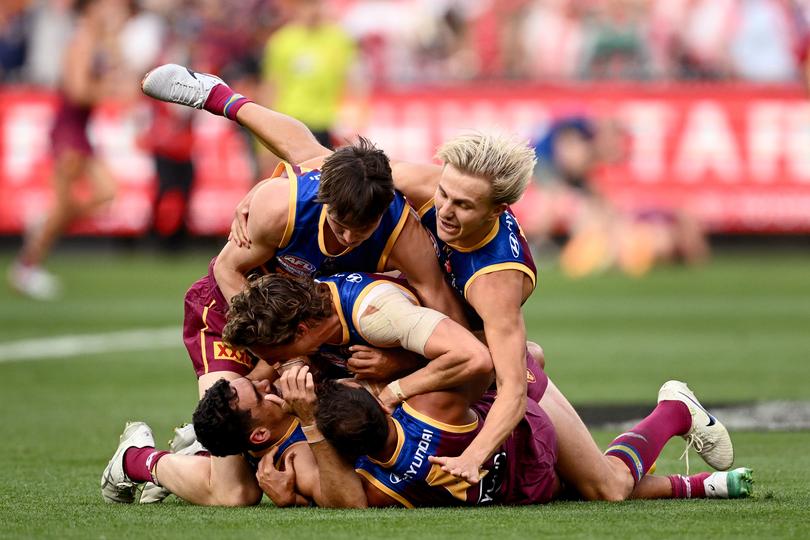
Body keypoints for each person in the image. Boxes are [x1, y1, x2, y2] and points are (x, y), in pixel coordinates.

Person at [7, 0, 132, 300]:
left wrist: (113, 46)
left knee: (104, 194)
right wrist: (110, 91)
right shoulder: (82, 43)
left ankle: (46, 225)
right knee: (80, 199)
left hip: (79, 131)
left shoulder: (96, 41)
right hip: (68, 132)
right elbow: (78, 91)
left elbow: (116, 71)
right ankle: (27, 265)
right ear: (91, 10)